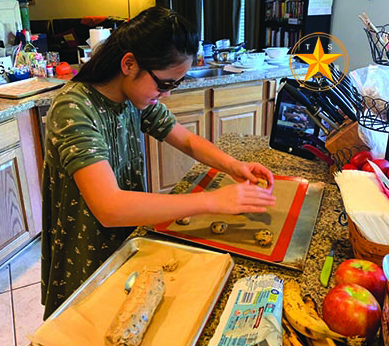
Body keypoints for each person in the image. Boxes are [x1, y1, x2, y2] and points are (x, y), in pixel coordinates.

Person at [41, 6, 276, 319]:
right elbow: (109, 207)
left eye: (173, 86)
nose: (165, 95)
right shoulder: (74, 108)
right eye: (164, 84)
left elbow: (187, 139)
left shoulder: (133, 98)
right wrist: (211, 201)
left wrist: (234, 166)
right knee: (85, 321)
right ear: (129, 64)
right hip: (85, 251)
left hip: (126, 237)